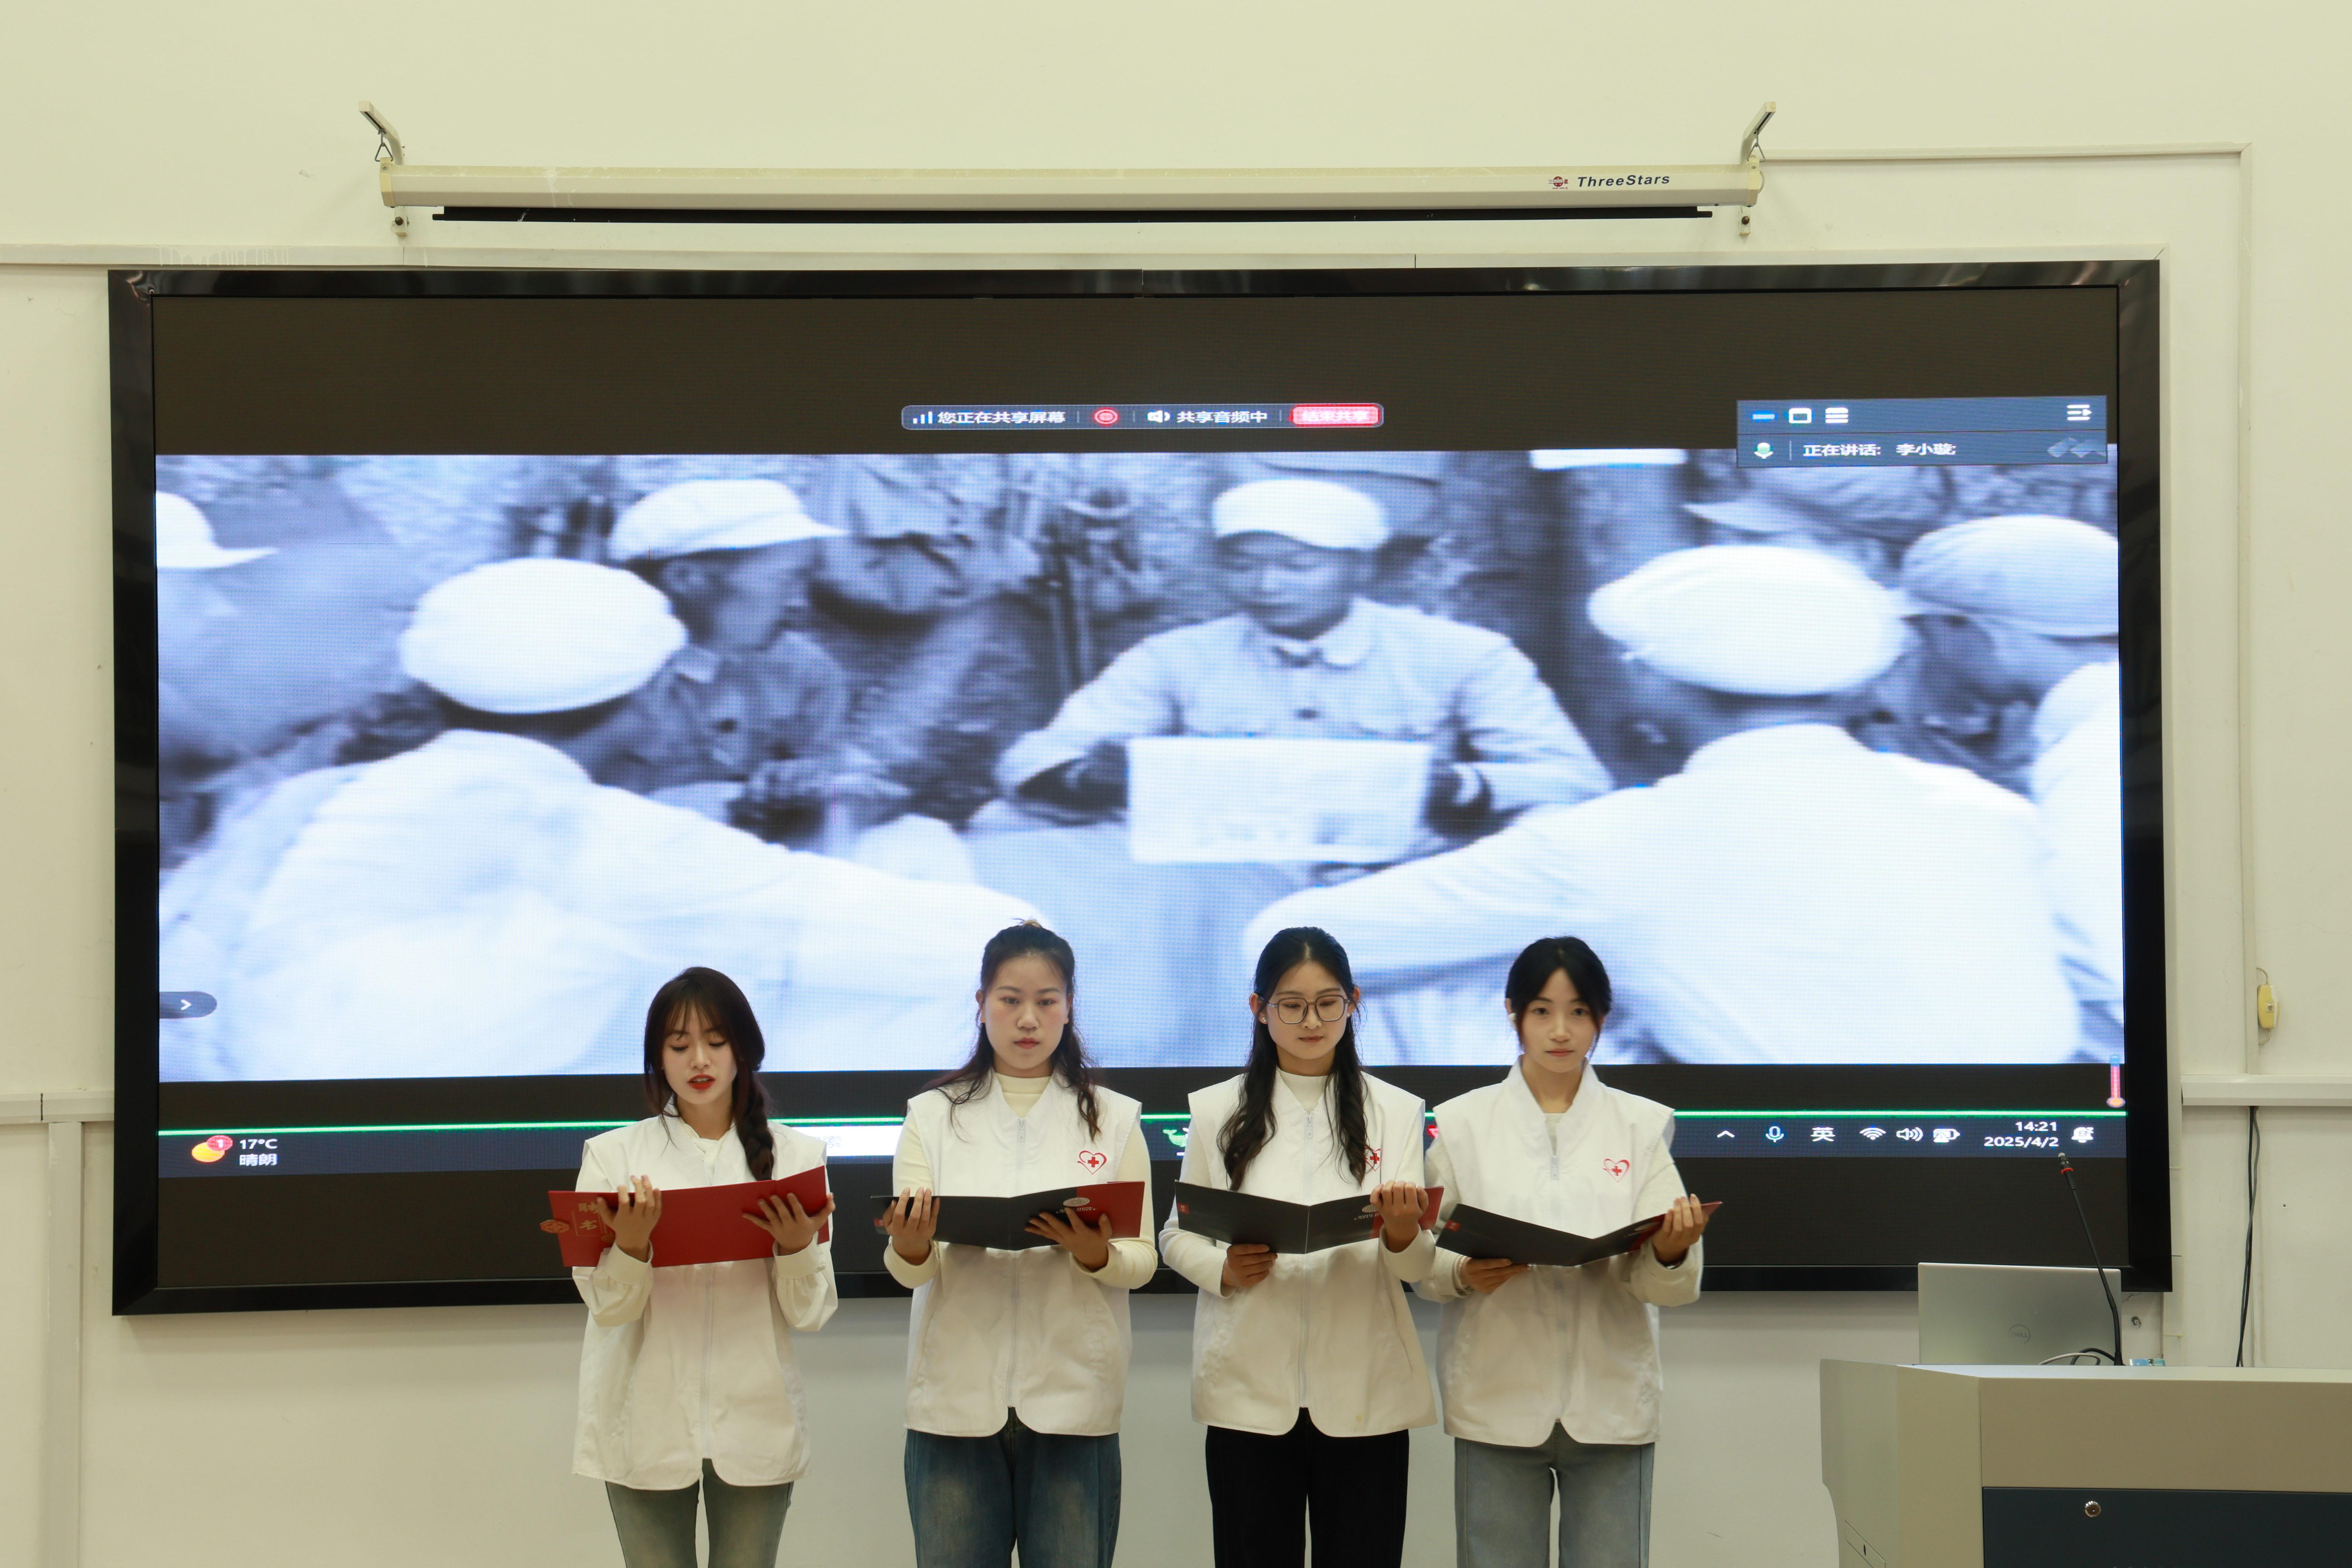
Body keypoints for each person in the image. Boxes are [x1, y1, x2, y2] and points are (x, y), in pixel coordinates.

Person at [156, 557, 1041, 1080]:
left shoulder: (311, 798)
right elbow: (997, 947)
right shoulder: (590, 837)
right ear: (649, 699)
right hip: (416, 1129)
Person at [1244, 545, 2087, 1065]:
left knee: (1430, 981)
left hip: (1767, 1148)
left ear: (1650, 683)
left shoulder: (1609, 841)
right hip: (2011, 1143)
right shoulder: (1988, 810)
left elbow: (1283, 945)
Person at [995, 476, 1611, 841]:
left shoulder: (1463, 654)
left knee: (1556, 828)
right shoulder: (1177, 657)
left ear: (1362, 569)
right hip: (1224, 859)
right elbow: (1033, 757)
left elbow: (1576, 780)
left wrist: (1462, 787)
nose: (1267, 586)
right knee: (1004, 825)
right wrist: (1084, 780)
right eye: (1243, 565)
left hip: (1407, 858)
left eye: (1297, 566)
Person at [1416, 938, 1710, 1568]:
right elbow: (1423, 1264)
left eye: (1579, 1012)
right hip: (1496, 1397)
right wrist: (1463, 1272)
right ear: (1514, 1013)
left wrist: (1669, 1250)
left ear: (1602, 1019)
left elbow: (1668, 1286)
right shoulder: (1463, 1125)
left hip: (1611, 1401)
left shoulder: (1641, 1126)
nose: (1560, 1031)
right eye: (1543, 1011)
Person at [1158, 927, 1438, 1568]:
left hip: (1364, 1392)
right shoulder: (1218, 1111)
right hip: (1249, 1393)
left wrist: (1402, 1232)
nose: (1311, 1021)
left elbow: (1419, 1267)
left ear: (1353, 1003)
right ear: (1259, 1009)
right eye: (1292, 1005)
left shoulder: (1396, 1111)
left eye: (1328, 1003)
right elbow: (1175, 1235)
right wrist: (1224, 1268)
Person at [878, 922, 1152, 1568]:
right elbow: (911, 1272)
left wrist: (1095, 1255)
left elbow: (1142, 1260)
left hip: (1074, 1401)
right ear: (981, 1005)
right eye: (1010, 1000)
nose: (1028, 1019)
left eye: (1046, 1001)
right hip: (954, 1403)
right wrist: (912, 1247)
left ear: (1069, 1008)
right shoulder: (932, 1116)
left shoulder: (1115, 1118)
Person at [574, 967, 837, 1568]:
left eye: (717, 1041)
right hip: (644, 1421)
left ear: (744, 1049)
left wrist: (796, 1249)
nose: (700, 1059)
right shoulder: (613, 1156)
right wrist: (632, 1248)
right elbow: (608, 1308)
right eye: (679, 1045)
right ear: (657, 1059)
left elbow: (811, 1313)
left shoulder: (797, 1156)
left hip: (756, 1418)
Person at [1898, 515, 2124, 1042]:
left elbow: (2106, 969)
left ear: (1979, 633)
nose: (1927, 651)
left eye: (1927, 631)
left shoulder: (2093, 760)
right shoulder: (2110, 724)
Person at [603, 477, 884, 839]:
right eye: (785, 580)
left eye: (805, 580)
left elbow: (865, 787)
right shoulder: (602, 680)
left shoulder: (804, 673)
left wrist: (817, 782)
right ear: (686, 579)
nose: (800, 603)